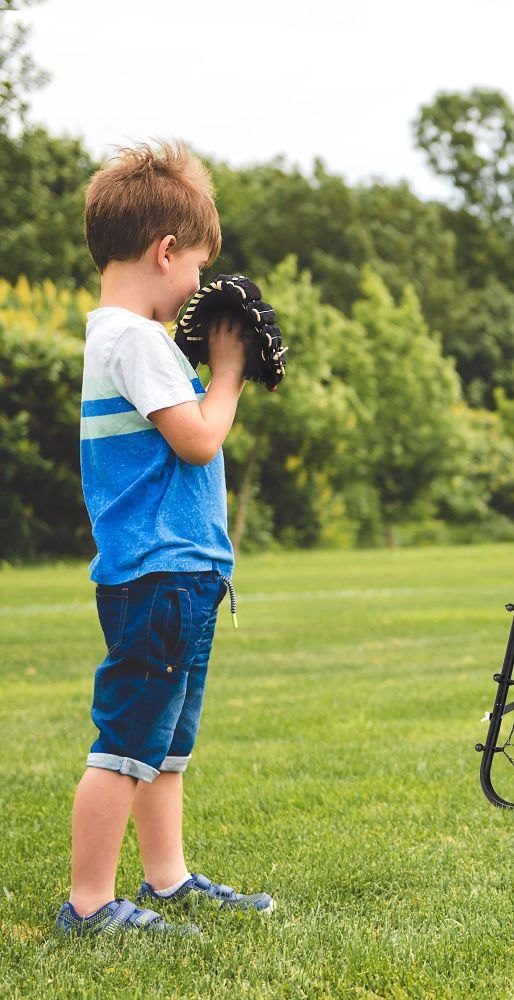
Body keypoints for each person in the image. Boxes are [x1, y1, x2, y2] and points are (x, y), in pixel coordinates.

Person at [56, 141, 274, 936]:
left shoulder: (120, 337)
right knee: (126, 743)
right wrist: (227, 369)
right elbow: (199, 441)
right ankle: (89, 903)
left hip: (175, 574)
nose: (196, 290)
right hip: (160, 576)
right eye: (196, 269)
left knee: (165, 746)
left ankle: (167, 877)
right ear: (166, 250)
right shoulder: (135, 339)